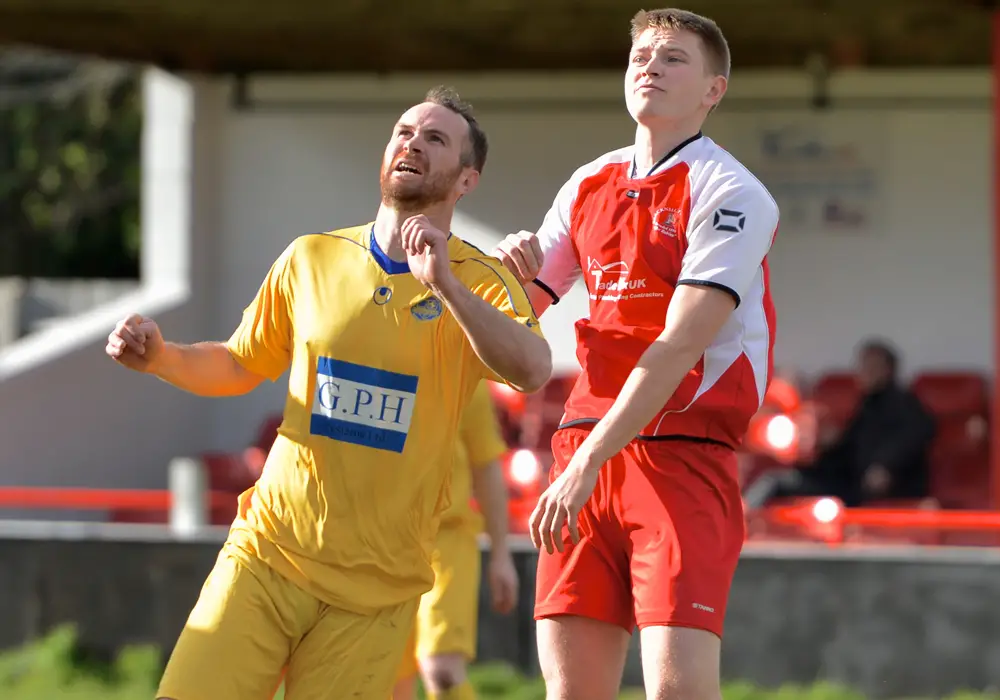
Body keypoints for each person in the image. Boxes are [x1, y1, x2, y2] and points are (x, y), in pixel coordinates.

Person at [106, 86, 551, 700]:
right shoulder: (310, 257)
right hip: (268, 555)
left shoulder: (480, 280)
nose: (412, 144)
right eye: (404, 132)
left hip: (376, 594)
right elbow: (238, 363)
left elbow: (533, 369)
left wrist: (446, 285)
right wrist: (161, 357)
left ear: (466, 180)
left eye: (435, 139)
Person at [493, 8, 779, 700]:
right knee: (572, 692)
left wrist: (587, 463)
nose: (650, 67)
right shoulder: (588, 181)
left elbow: (679, 344)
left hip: (680, 454)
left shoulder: (733, 191)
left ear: (714, 89)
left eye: (674, 58)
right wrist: (489, 273)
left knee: (678, 693)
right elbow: (517, 315)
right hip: (583, 452)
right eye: (640, 57)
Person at [393, 380, 519, 700]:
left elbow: (487, 465)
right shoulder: (380, 366)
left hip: (447, 542)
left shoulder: (466, 381)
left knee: (442, 671)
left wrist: (501, 554)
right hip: (385, 542)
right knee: (389, 678)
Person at [770, 339, 935, 507]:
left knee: (785, 487)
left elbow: (918, 431)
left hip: (887, 488)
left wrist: (885, 465)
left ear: (887, 371)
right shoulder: (868, 404)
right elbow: (849, 448)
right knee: (783, 481)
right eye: (863, 366)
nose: (864, 373)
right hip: (854, 481)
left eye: (872, 367)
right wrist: (823, 451)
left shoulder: (902, 402)